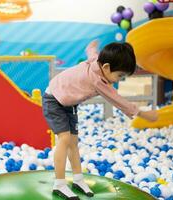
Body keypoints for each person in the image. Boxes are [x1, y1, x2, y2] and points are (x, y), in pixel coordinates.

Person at [42, 40, 158, 200]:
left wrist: (91, 47)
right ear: (106, 68)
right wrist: (143, 114)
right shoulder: (97, 80)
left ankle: (78, 179)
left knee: (73, 142)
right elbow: (117, 99)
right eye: (120, 76)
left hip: (68, 102)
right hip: (53, 99)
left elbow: (92, 54)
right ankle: (60, 184)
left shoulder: (97, 62)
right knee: (65, 139)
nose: (119, 80)